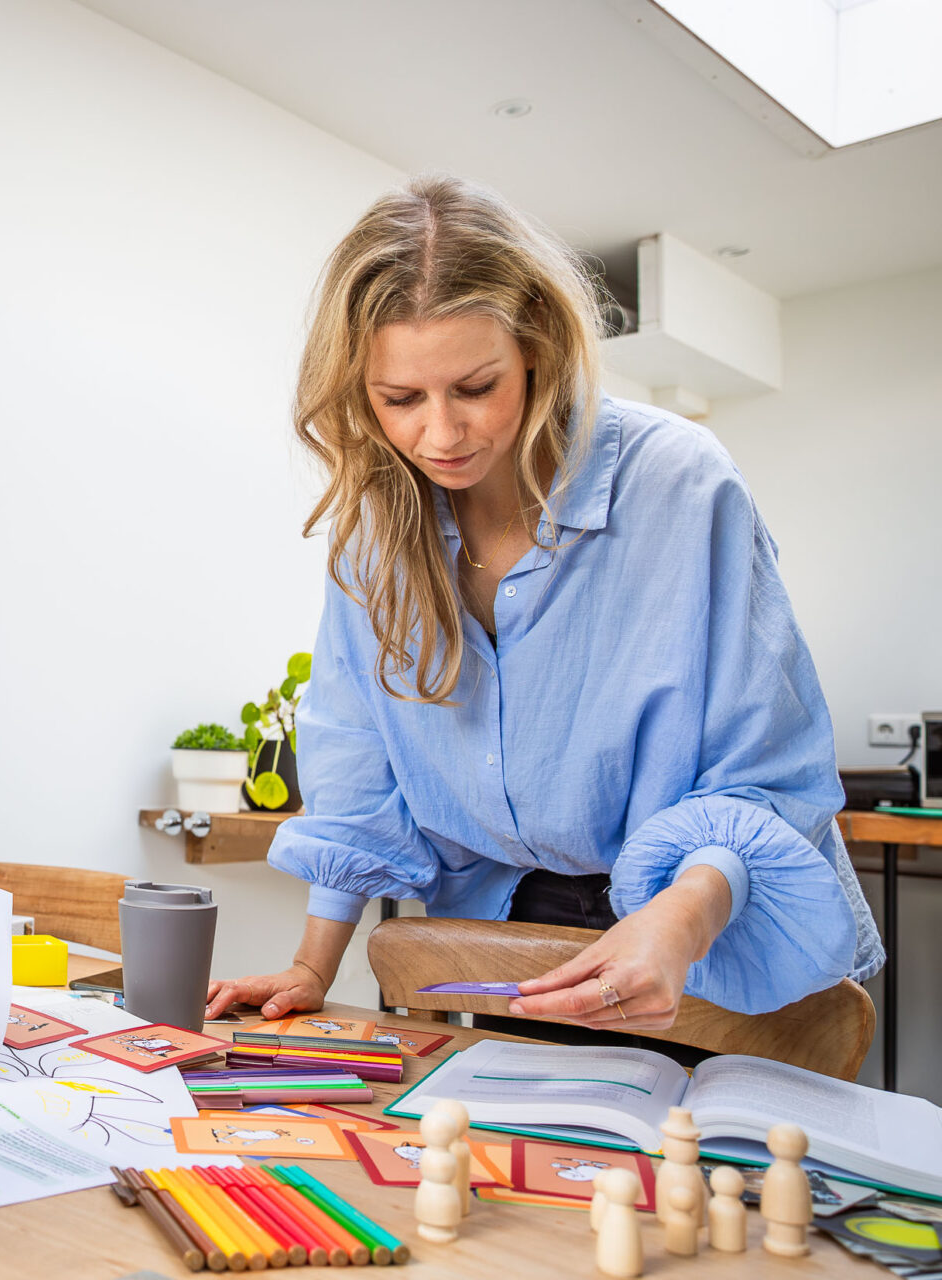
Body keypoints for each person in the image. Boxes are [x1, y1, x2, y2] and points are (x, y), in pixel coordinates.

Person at [205, 175, 881, 1035]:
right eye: (401, 400)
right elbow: (358, 767)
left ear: (536, 345)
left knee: (719, 1169)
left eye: (476, 387)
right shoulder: (373, 533)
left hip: (709, 919)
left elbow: (765, 769)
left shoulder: (679, 484)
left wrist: (678, 921)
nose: (441, 437)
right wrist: (310, 966)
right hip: (517, 924)